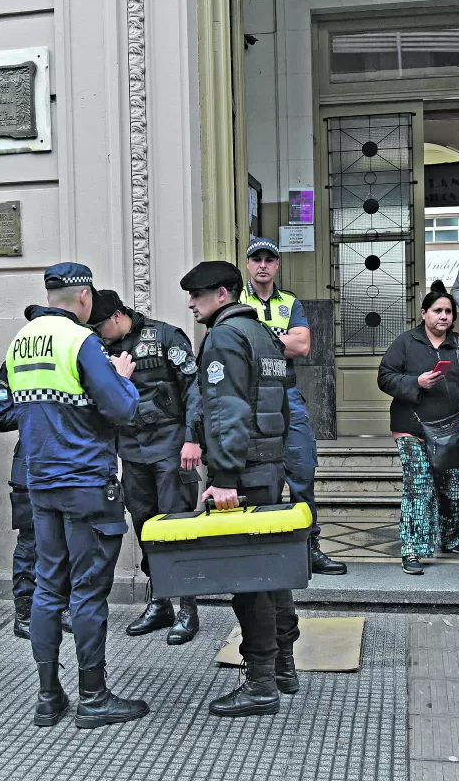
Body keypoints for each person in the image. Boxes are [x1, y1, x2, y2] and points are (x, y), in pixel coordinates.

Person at [3, 263, 149, 729]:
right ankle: (93, 697)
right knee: (87, 593)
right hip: (86, 483)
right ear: (84, 297)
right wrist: (121, 374)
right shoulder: (81, 341)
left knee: (48, 588)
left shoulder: (19, 342)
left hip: (40, 481)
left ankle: (48, 697)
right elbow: (123, 408)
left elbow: (9, 412)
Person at [181, 260, 300, 718]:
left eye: (199, 294)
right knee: (274, 574)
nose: (192, 303)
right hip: (269, 467)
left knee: (248, 582)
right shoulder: (265, 335)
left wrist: (225, 478)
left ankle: (261, 683)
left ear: (223, 295)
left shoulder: (224, 338)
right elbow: (283, 405)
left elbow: (227, 411)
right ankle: (284, 667)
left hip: (243, 473)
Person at [87, 288, 204, 645]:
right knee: (146, 527)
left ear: (118, 316)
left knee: (178, 526)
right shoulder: (100, 349)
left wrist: (193, 438)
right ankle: (160, 602)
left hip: (171, 447)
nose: (96, 332)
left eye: (100, 325)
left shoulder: (166, 335)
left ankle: (188, 608)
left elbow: (194, 388)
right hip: (132, 450)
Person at [240, 237, 347, 575]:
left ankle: (307, 546)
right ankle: (264, 550)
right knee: (259, 478)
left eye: (268, 259)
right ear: (247, 264)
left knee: (302, 469)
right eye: (256, 259)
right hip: (250, 399)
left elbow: (302, 346)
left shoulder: (290, 302)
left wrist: (258, 339)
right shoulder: (237, 301)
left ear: (277, 265)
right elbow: (234, 347)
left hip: (287, 395)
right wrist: (279, 340)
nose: (262, 265)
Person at [377, 281, 459, 575]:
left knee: (452, 488)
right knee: (418, 487)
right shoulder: (406, 342)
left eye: (449, 312)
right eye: (438, 310)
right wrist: (416, 382)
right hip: (411, 426)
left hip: (451, 428)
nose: (444, 316)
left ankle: (450, 539)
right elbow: (385, 377)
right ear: (424, 313)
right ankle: (411, 550)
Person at [0, 356, 72, 639]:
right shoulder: (16, 362)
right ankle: (24, 614)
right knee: (30, 541)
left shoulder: (74, 354)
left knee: (70, 538)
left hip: (70, 462)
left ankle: (63, 608)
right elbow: (1, 417)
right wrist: (46, 409)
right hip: (30, 463)